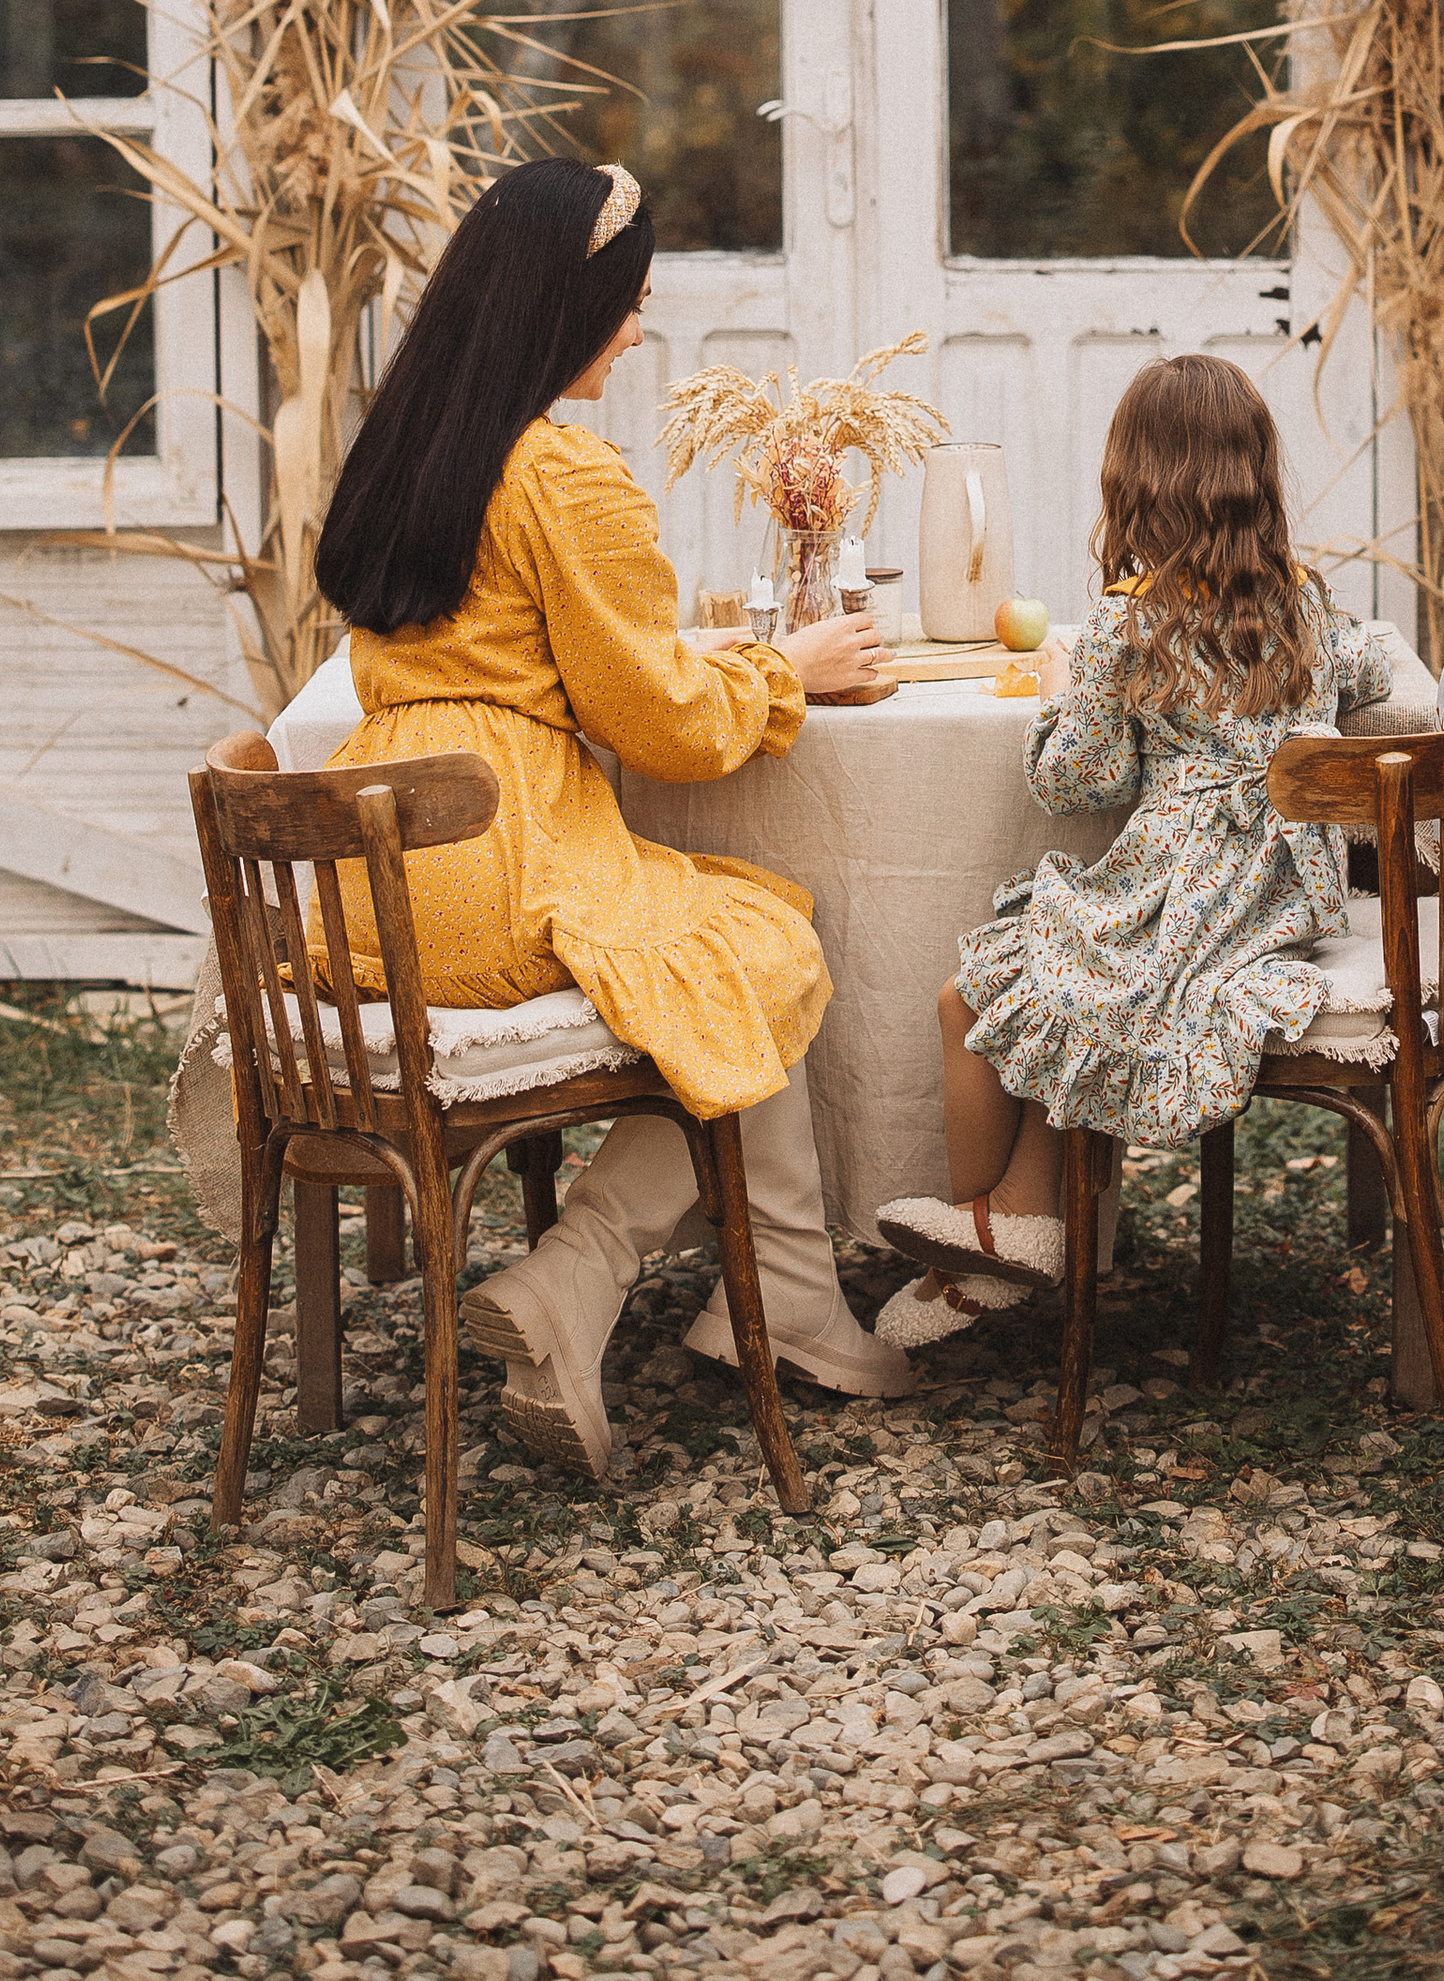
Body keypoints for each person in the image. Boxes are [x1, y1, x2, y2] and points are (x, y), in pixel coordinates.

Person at [311, 151, 913, 1474]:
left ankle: (788, 1301)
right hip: (490, 852)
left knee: (726, 945)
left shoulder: (408, 451)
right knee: (765, 947)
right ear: (562, 309)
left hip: (369, 866)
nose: (640, 330)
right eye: (628, 302)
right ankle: (582, 1274)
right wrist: (783, 671)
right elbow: (664, 726)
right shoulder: (562, 478)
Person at [872, 351, 1389, 1347]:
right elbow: (1351, 672)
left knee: (971, 995)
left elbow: (1078, 782)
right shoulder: (1306, 600)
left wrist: (1068, 677)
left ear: (1133, 481)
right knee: (1038, 990)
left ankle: (989, 1249)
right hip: (1285, 892)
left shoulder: (1128, 620)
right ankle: (1002, 1237)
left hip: (1185, 889)